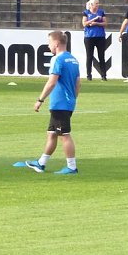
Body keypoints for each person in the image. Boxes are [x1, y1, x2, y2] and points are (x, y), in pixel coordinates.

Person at [25, 31, 81, 175]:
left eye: (49, 43)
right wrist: (73, 99)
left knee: (64, 134)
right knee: (52, 133)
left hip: (60, 103)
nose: (48, 46)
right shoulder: (73, 59)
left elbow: (52, 82)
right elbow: (78, 83)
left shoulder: (57, 59)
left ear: (56, 44)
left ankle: (72, 167)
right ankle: (41, 163)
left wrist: (40, 100)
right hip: (67, 103)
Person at [81, 0, 107, 81]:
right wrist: (92, 21)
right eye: (96, 3)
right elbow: (84, 24)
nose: (97, 5)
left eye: (98, 3)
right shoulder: (86, 12)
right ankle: (89, 75)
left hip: (100, 37)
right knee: (89, 56)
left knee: (101, 56)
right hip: (89, 37)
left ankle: (103, 75)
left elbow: (105, 23)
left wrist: (96, 23)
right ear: (91, 4)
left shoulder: (101, 12)